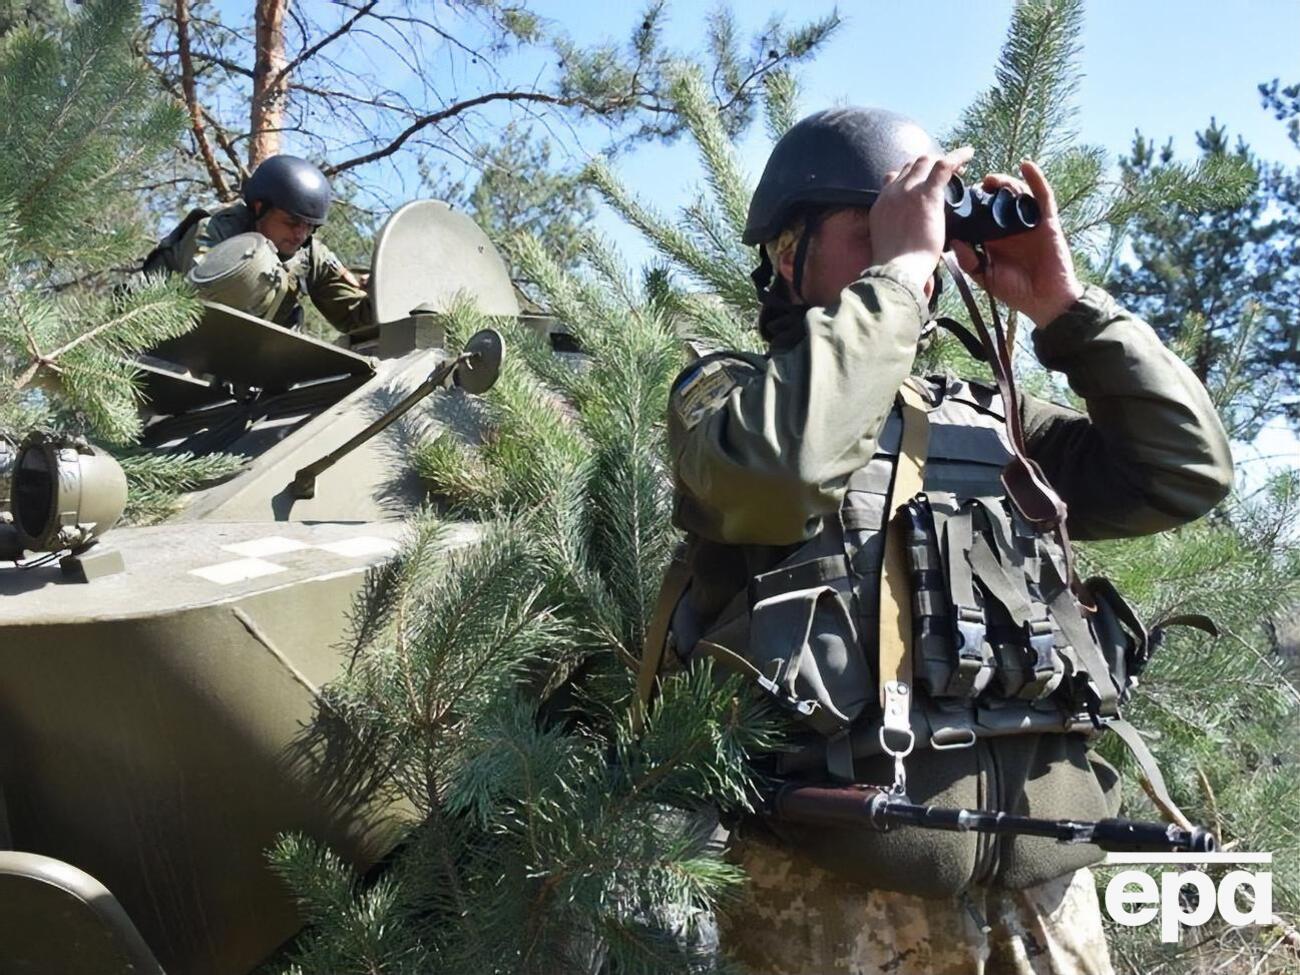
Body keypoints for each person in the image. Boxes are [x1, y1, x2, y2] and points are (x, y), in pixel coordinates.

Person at [656, 108, 1233, 973]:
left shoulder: (986, 415)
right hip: (824, 897)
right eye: (876, 228)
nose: (920, 258)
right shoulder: (730, 398)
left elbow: (1183, 471)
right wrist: (899, 272)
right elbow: (779, 469)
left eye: (927, 231)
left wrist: (1066, 311)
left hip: (1044, 890)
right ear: (788, 253)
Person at [143, 154, 371, 334]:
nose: (300, 234)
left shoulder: (309, 253)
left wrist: (385, 290)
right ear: (260, 208)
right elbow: (208, 305)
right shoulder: (216, 229)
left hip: (247, 365)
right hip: (156, 343)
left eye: (310, 225)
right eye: (291, 221)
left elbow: (358, 318)